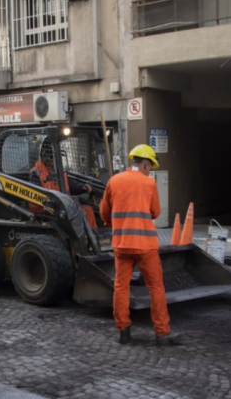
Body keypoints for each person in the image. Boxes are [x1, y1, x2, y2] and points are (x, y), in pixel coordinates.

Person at [100, 144, 179, 346]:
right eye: (150, 167)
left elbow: (104, 213)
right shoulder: (148, 183)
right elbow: (156, 212)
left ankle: (123, 331)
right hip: (145, 245)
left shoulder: (113, 181)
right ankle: (162, 333)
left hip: (122, 244)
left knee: (121, 288)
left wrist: (115, 224)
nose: (150, 171)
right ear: (145, 164)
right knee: (156, 288)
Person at [28, 138, 96, 228]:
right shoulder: (36, 172)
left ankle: (92, 234)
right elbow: (35, 191)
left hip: (63, 207)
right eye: (55, 157)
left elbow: (70, 185)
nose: (58, 160)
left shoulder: (59, 170)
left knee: (87, 210)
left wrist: (82, 187)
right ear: (47, 157)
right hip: (46, 210)